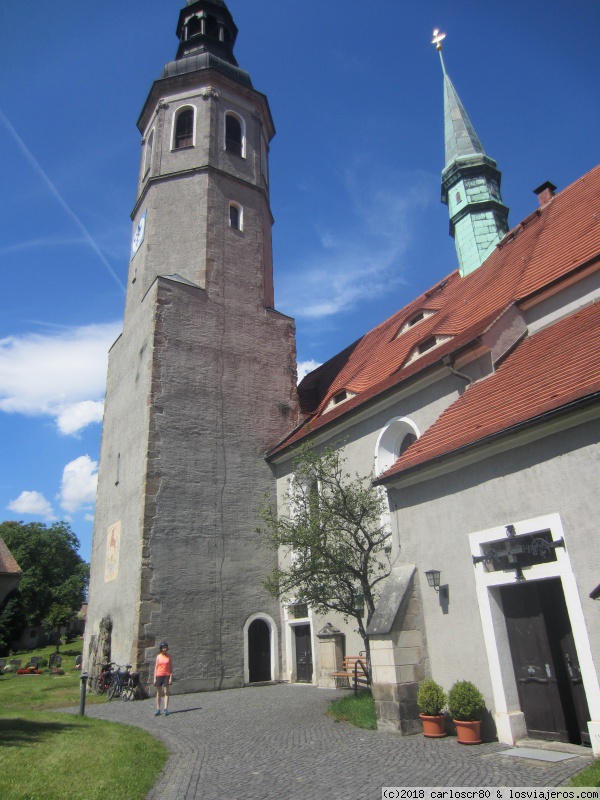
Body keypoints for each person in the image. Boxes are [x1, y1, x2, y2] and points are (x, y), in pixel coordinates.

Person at [154, 641, 173, 716]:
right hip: (159, 675)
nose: (164, 649)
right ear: (161, 649)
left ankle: (165, 708)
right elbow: (156, 667)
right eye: (163, 648)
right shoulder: (158, 656)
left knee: (166, 692)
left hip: (166, 675)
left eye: (165, 648)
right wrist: (154, 678)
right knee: (159, 693)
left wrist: (171, 678)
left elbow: (171, 667)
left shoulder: (169, 656)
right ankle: (158, 709)